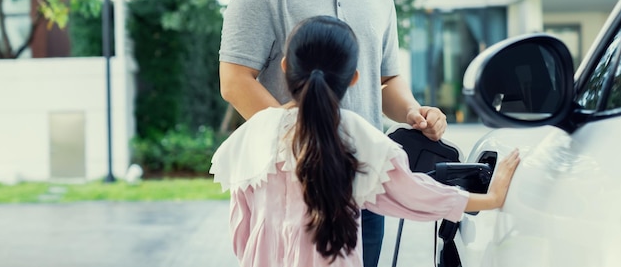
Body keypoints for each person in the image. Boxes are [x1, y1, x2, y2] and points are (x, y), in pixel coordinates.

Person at [219, 0, 448, 267]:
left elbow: (387, 82)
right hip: (295, 187)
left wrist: (414, 111)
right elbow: (235, 81)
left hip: (364, 182)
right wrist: (301, 146)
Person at [211, 16, 520, 267]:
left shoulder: (251, 137)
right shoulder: (357, 136)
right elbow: (416, 194)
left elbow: (241, 234)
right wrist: (491, 198)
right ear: (354, 78)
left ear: (284, 69)